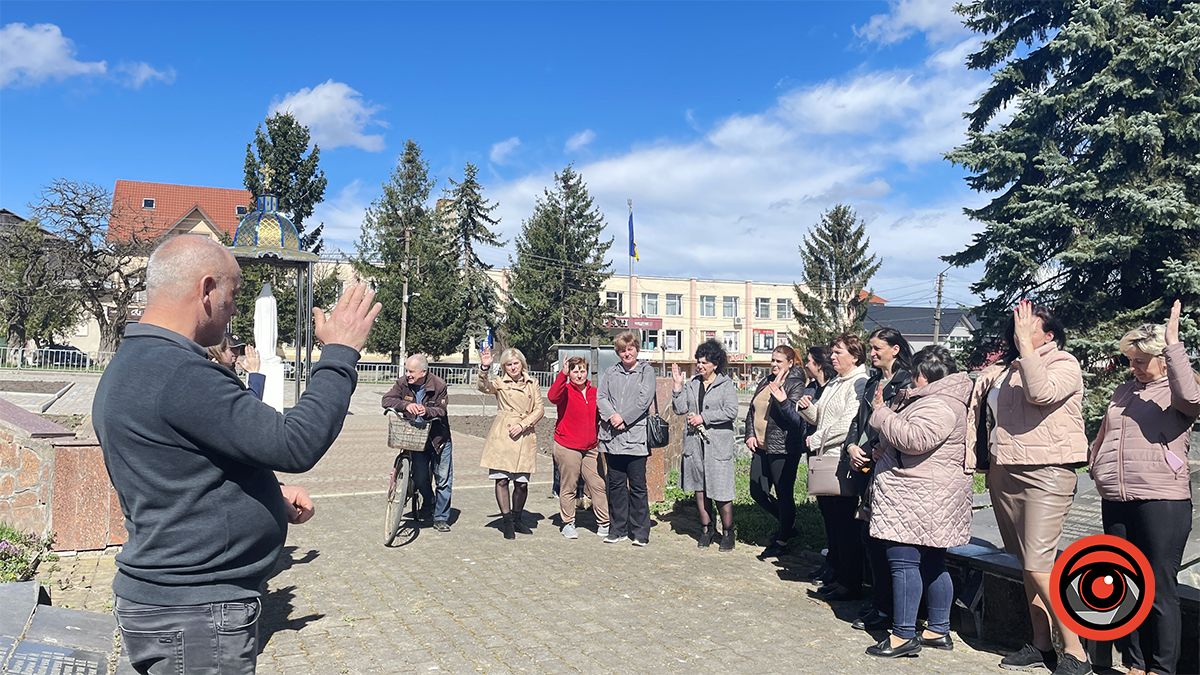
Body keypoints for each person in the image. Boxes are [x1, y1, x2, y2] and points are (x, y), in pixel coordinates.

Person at [93, 235, 379, 675]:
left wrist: (267, 494)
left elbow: (181, 469)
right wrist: (340, 354)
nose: (233, 309)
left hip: (171, 605)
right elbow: (294, 442)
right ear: (207, 290)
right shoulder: (181, 372)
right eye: (234, 294)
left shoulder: (139, 360)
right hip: (195, 614)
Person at [968, 300, 1089, 675]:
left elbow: (1041, 393)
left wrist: (1024, 348)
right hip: (1005, 470)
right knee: (1026, 563)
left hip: (1047, 471)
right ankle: (1041, 645)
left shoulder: (1063, 363)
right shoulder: (1003, 371)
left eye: (1029, 325)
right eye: (1017, 324)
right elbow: (981, 416)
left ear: (1048, 335)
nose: (1020, 328)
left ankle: (1077, 651)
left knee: (1040, 564)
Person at [1090, 300, 1198, 675]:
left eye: (1140, 360)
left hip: (1161, 500)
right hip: (1117, 498)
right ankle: (1134, 663)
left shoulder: (1178, 390)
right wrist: (1096, 465)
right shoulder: (1123, 391)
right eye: (1131, 360)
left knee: (1159, 587)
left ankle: (1162, 668)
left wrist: (1173, 344)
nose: (1133, 367)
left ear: (1161, 358)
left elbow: (1193, 399)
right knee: (1127, 584)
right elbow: (1105, 435)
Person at [862, 346, 973, 658]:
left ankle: (903, 636)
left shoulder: (938, 404)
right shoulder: (943, 401)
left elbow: (915, 439)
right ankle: (937, 629)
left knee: (904, 561)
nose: (910, 381)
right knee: (933, 563)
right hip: (927, 496)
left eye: (913, 375)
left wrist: (881, 412)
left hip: (917, 496)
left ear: (923, 376)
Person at [846, 328, 914, 631]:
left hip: (887, 467)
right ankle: (878, 603)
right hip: (863, 465)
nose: (871, 354)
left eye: (877, 349)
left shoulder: (907, 383)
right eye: (870, 349)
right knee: (868, 538)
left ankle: (887, 609)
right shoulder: (873, 382)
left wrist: (872, 450)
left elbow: (898, 426)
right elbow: (858, 422)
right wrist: (851, 446)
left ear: (895, 349)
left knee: (884, 541)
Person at [799, 333, 869, 601]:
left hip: (841, 460)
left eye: (838, 352)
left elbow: (848, 423)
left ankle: (850, 582)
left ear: (855, 356)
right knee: (831, 523)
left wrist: (816, 438)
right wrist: (807, 408)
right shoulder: (834, 383)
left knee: (844, 525)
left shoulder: (858, 383)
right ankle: (838, 576)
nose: (832, 356)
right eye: (832, 351)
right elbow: (822, 416)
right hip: (824, 458)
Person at [672, 339, 741, 551]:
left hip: (717, 446)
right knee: (699, 489)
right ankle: (706, 529)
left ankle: (728, 532)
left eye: (704, 362)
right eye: (698, 362)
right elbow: (680, 408)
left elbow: (731, 411)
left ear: (715, 364)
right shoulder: (692, 384)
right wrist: (677, 387)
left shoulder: (726, 384)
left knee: (721, 490)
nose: (700, 365)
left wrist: (704, 417)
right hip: (695, 445)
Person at [744, 345, 807, 558]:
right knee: (757, 491)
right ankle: (787, 524)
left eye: (779, 361)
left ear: (790, 363)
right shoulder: (765, 381)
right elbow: (752, 411)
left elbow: (796, 420)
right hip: (760, 446)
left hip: (783, 448)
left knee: (783, 492)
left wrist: (781, 398)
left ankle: (783, 538)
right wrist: (750, 434)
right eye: (772, 360)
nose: (774, 365)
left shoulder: (795, 384)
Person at [597, 331, 657, 546]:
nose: (626, 353)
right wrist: (612, 416)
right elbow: (601, 397)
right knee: (616, 485)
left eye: (630, 349)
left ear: (637, 350)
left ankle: (640, 532)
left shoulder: (646, 372)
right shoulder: (611, 372)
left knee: (638, 486)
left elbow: (644, 400)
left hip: (635, 437)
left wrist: (624, 418)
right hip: (612, 438)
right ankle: (618, 528)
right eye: (622, 350)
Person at [478, 346, 544, 540]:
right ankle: (507, 521)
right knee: (502, 479)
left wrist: (523, 425)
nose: (513, 367)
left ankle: (517, 517)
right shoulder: (499, 382)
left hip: (524, 434)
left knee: (522, 484)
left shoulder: (533, 383)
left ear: (522, 364)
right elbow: (483, 387)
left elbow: (539, 409)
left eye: (516, 363)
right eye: (509, 364)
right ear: (504, 367)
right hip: (504, 435)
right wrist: (484, 367)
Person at [382, 353, 453, 532]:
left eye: (411, 371)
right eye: (407, 370)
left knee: (443, 478)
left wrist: (426, 410)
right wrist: (406, 406)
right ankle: (428, 502)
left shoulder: (438, 385)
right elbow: (387, 400)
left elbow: (441, 410)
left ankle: (441, 518)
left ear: (423, 372)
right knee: (420, 477)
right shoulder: (402, 383)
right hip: (415, 437)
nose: (408, 374)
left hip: (438, 439)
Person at [547, 355, 609, 539]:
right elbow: (552, 396)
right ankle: (568, 522)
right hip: (567, 446)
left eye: (582, 370)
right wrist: (562, 375)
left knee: (597, 484)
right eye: (575, 371)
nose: (579, 374)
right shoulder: (564, 391)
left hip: (590, 447)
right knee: (569, 485)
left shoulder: (594, 392)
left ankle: (604, 522)